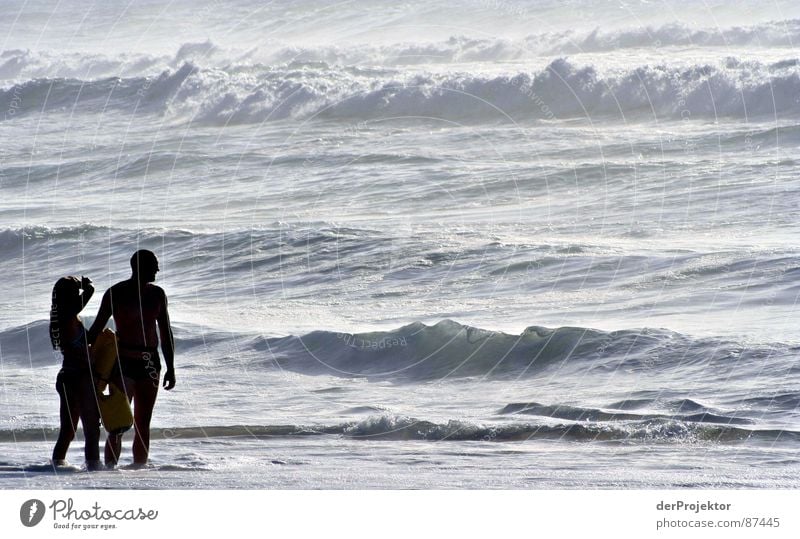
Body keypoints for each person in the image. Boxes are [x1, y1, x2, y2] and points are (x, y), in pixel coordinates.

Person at [87, 250, 175, 467]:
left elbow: (166, 332)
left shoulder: (158, 294)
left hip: (150, 364)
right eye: (154, 264)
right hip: (123, 362)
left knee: (143, 423)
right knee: (118, 423)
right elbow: (97, 328)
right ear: (139, 266)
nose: (158, 269)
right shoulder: (116, 293)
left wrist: (171, 367)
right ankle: (109, 469)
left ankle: (140, 468)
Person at [49, 275, 102, 471]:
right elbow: (89, 292)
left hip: (69, 376)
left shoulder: (67, 317)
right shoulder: (66, 315)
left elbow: (86, 339)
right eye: (73, 291)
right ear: (67, 296)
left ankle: (57, 465)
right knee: (91, 430)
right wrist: (87, 285)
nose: (77, 294)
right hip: (78, 377)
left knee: (68, 431)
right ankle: (94, 469)